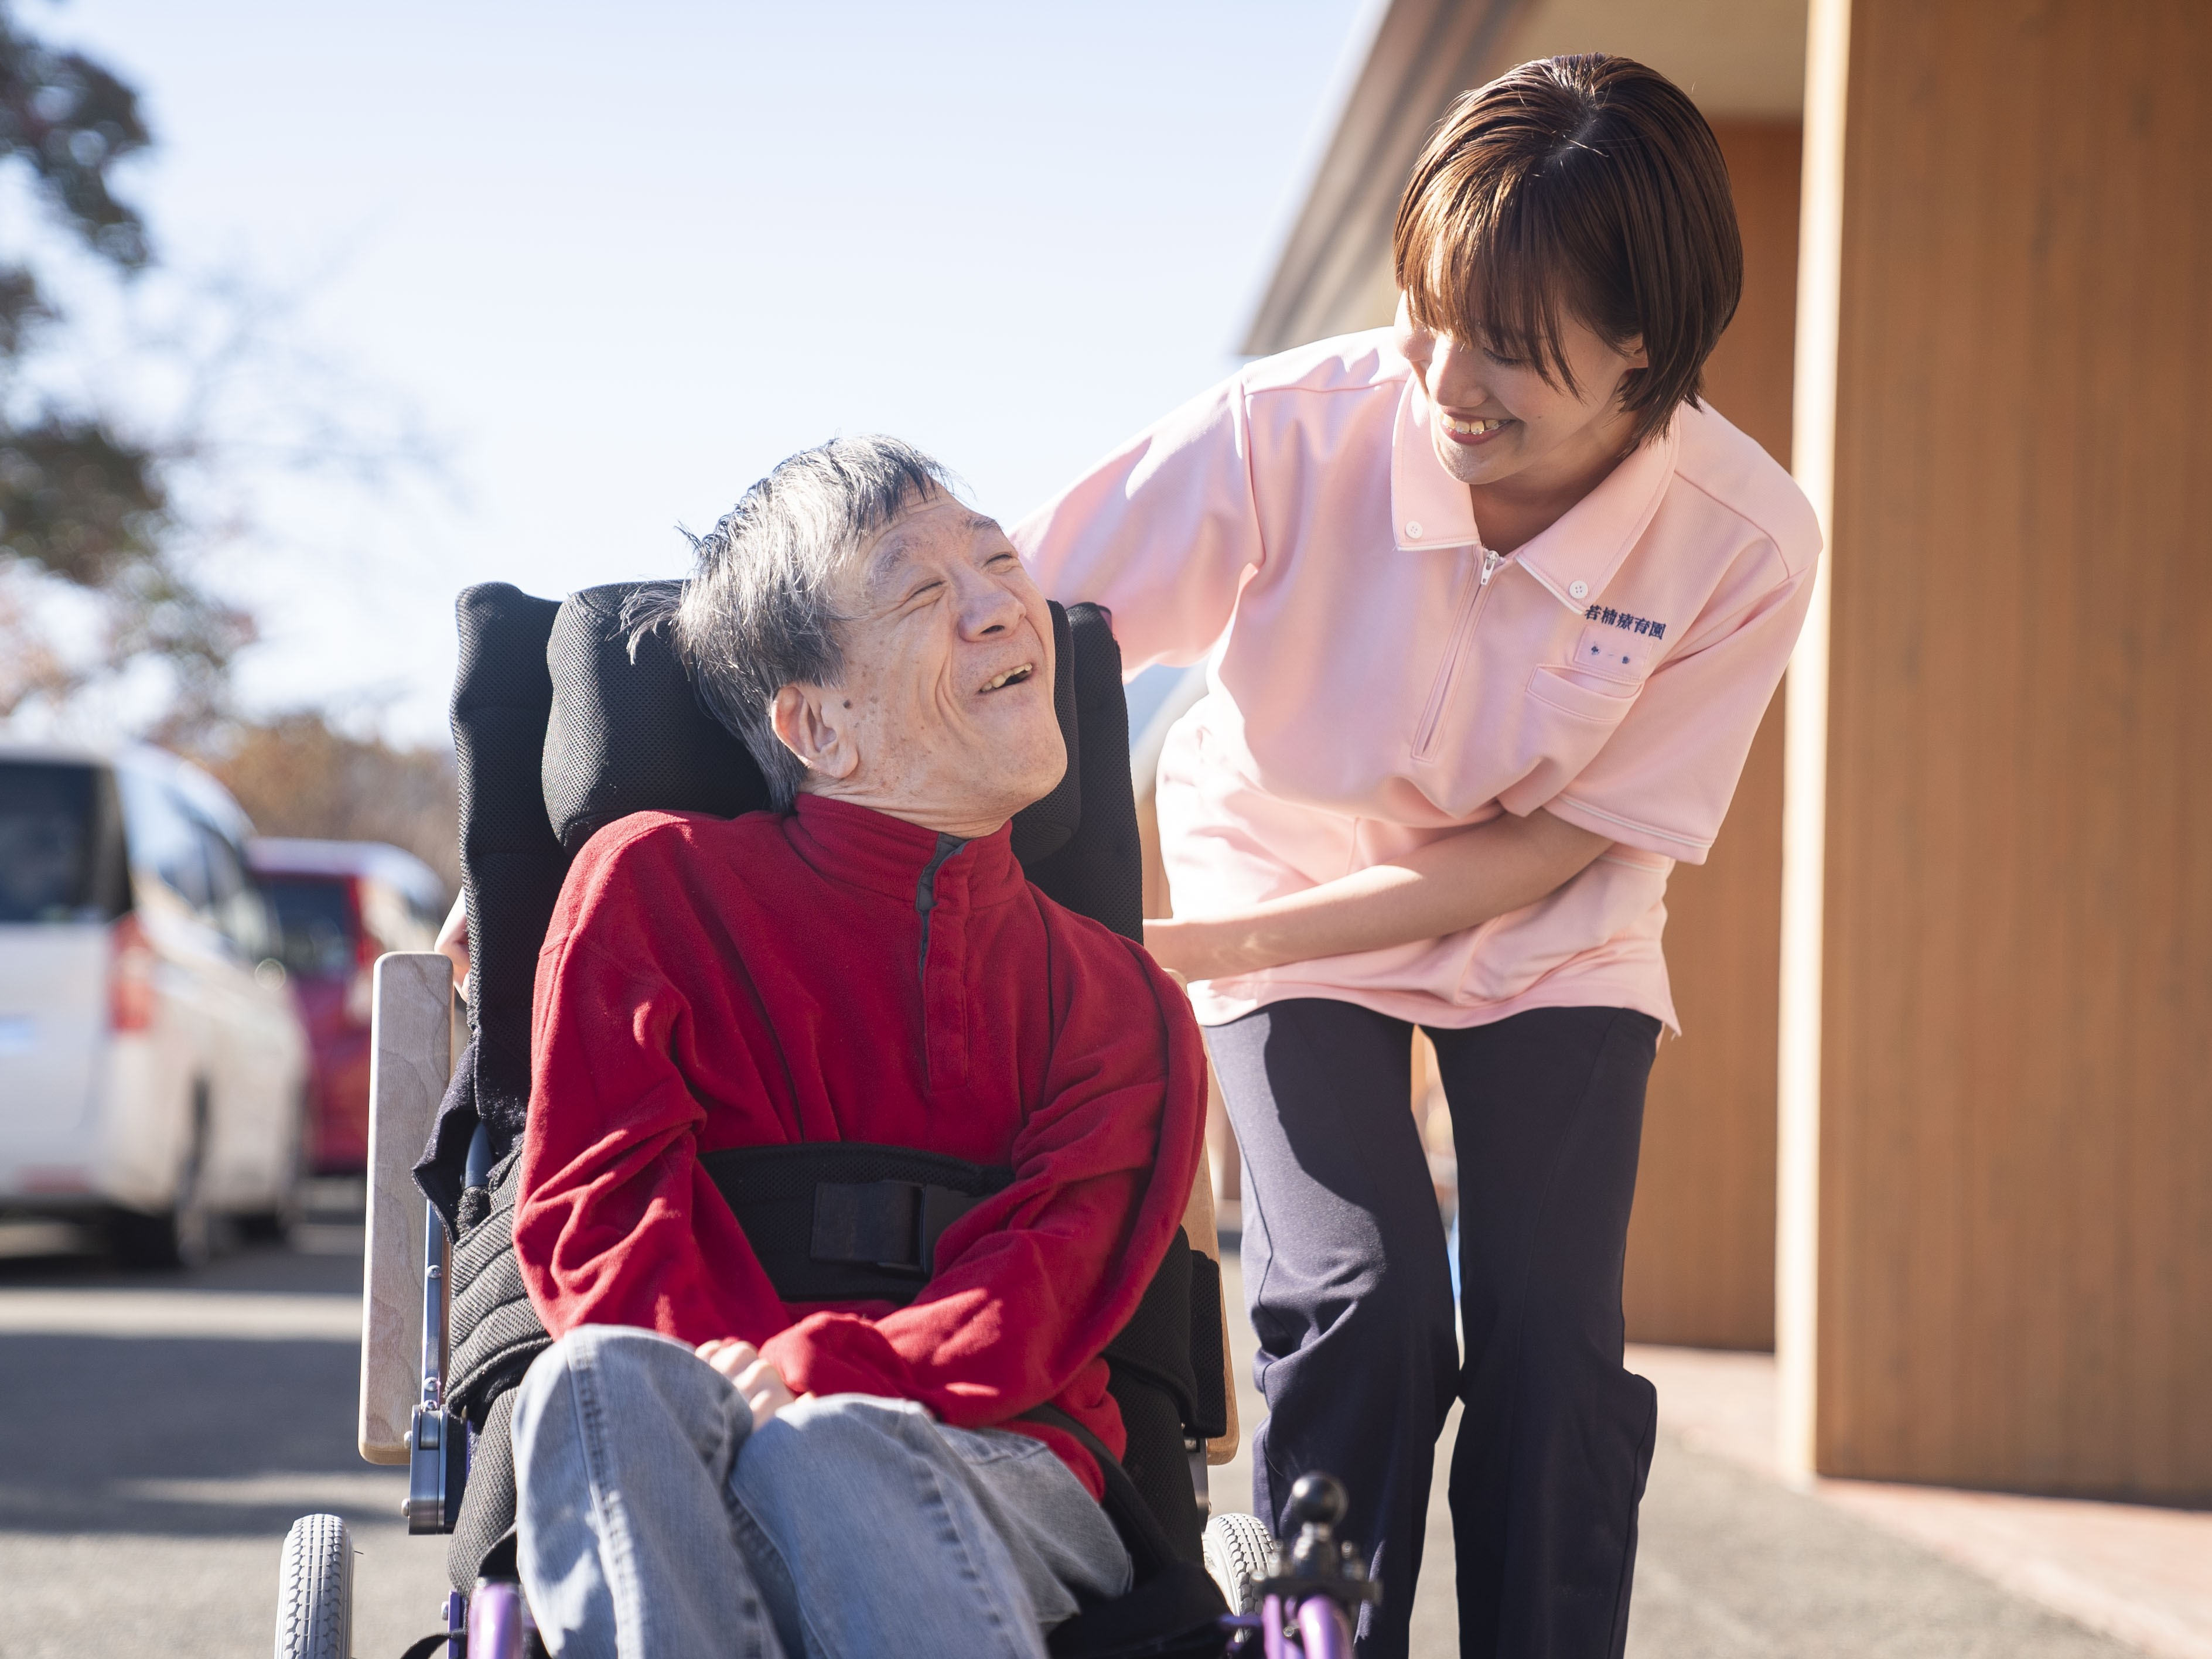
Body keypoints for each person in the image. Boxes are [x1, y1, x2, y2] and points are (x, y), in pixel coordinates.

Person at [1015, 54, 1820, 1659]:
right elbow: (993, 635)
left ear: (1646, 349)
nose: (1446, 378)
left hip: (1549, 923)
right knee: (1362, 1303)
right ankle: (1327, 1636)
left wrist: (1183, 962)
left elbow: (1540, 855)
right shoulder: (1284, 435)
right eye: (1425, 315)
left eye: (1509, 350)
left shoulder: (1746, 544)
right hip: (1272, 870)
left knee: (1548, 1342)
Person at [506, 437, 1209, 1659]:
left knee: (835, 1445)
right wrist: (737, 1388)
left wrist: (828, 1374)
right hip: (686, 1436)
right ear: (817, 725)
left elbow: (1046, 1288)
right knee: (594, 1381)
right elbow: (600, 1206)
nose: (1001, 608)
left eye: (999, 564)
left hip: (1009, 1467)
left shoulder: (1122, 1001)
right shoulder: (653, 889)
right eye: (926, 595)